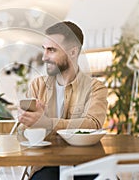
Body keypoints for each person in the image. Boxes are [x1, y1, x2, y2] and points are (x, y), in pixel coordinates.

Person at [17, 21, 108, 180]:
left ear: (73, 52)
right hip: (46, 163)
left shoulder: (95, 88)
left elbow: (93, 125)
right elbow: (23, 133)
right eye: (44, 49)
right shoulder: (38, 86)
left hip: (85, 163)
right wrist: (25, 121)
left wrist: (46, 122)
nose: (44, 57)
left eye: (51, 50)